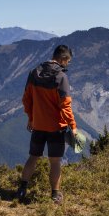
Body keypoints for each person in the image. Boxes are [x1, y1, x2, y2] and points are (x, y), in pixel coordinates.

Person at [16, 44, 77, 204]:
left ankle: (22, 189)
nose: (67, 64)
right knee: (55, 161)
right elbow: (65, 105)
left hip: (38, 125)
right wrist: (73, 126)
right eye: (68, 61)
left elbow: (26, 99)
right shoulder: (61, 77)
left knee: (33, 157)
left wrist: (31, 117)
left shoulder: (34, 73)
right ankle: (55, 195)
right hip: (56, 127)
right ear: (63, 59)